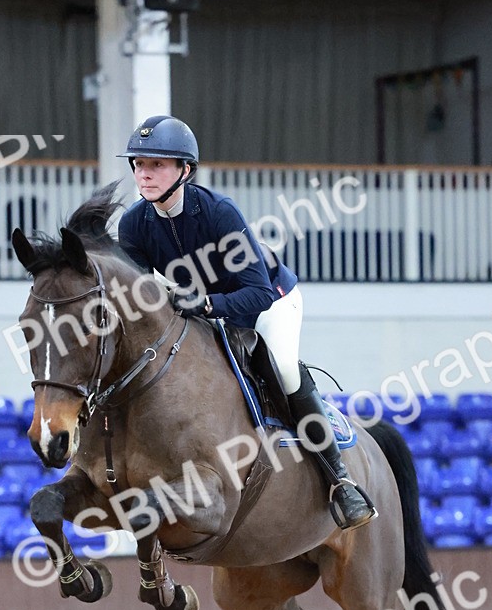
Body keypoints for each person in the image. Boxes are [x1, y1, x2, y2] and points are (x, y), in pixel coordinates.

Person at [117, 115, 376, 531]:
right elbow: (138, 294)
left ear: (185, 170)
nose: (144, 174)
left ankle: (339, 480)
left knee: (285, 370)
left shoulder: (219, 214)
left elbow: (255, 294)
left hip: (270, 301)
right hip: (200, 308)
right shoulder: (135, 223)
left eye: (156, 165)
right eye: (139, 164)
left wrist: (204, 302)